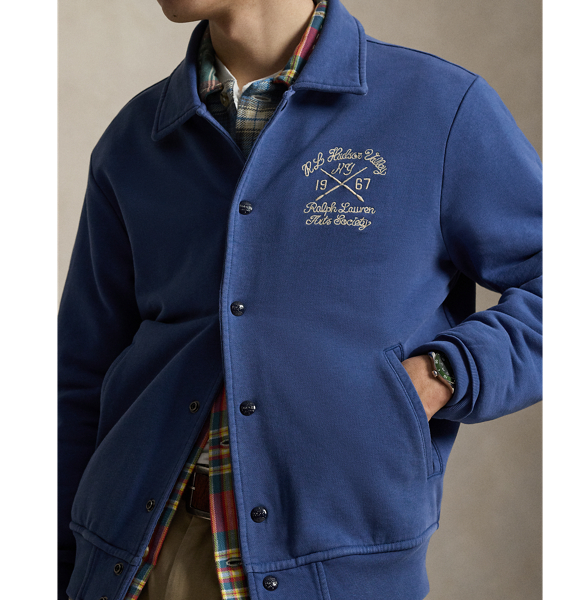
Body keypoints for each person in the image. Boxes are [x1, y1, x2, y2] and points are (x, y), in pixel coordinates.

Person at [57, 0, 542, 598]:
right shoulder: (135, 138)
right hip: (136, 560)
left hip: (336, 567)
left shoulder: (439, 108)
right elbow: (79, 373)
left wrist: (445, 373)